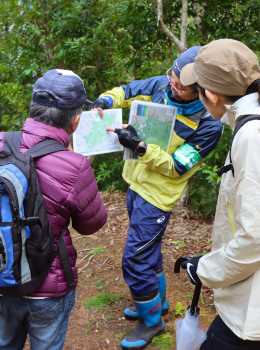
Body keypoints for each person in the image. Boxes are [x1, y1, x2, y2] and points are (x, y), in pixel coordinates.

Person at [90, 47, 223, 349]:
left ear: (203, 92)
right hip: (135, 185)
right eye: (172, 78)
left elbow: (178, 167)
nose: (172, 86)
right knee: (147, 253)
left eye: (180, 86)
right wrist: (106, 100)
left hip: (158, 198)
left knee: (135, 259)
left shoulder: (208, 125)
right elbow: (126, 91)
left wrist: (139, 147)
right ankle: (155, 303)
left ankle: (151, 323)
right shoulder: (161, 85)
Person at [0, 69, 108, 350]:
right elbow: (91, 224)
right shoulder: (74, 165)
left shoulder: (1, 143)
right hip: (49, 285)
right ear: (75, 121)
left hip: (2, 276)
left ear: (33, 108)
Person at [179, 39, 260, 350]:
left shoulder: (250, 136)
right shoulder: (247, 123)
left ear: (210, 95)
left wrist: (204, 270)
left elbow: (254, 236)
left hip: (250, 314)